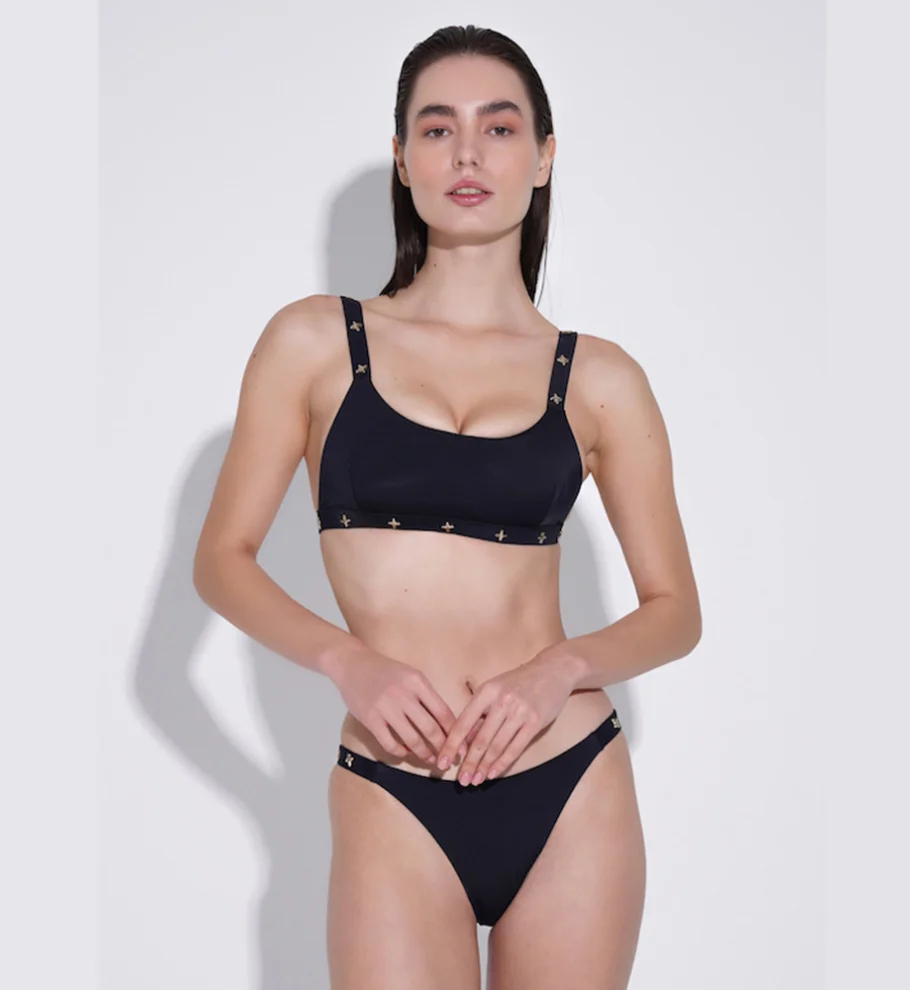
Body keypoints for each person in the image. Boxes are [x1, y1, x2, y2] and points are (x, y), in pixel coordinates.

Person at [193, 23, 701, 990]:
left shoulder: (601, 379)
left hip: (570, 779)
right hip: (395, 783)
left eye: (499, 128)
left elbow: (676, 610)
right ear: (402, 157)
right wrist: (347, 661)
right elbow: (222, 558)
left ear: (543, 158)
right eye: (437, 129)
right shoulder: (313, 341)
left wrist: (561, 670)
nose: (468, 153)